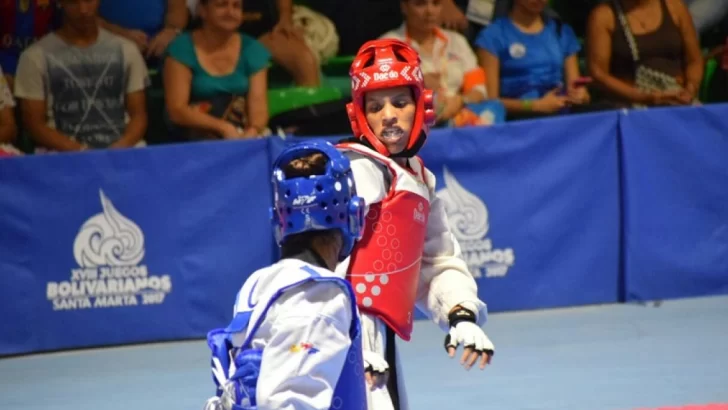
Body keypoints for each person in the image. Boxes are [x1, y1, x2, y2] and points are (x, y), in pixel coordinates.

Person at [335, 38, 495, 410]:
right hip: (345, 338)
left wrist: (461, 315)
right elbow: (323, 269)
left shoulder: (417, 178)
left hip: (378, 342)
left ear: (421, 106)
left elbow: (436, 262)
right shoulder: (354, 171)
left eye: (399, 102)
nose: (388, 115)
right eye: (375, 107)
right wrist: (346, 344)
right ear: (359, 115)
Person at [202, 141, 369, 410]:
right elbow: (289, 402)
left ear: (279, 221)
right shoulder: (319, 296)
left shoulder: (261, 283)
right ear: (352, 215)